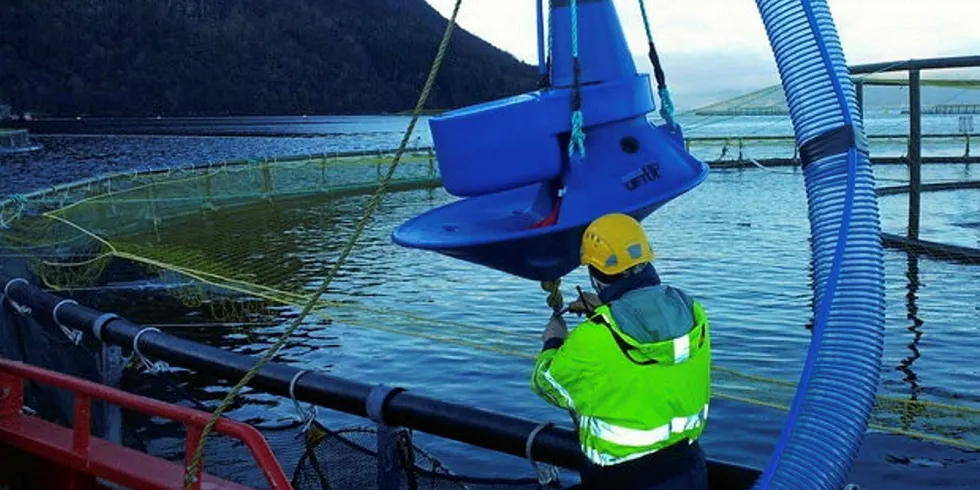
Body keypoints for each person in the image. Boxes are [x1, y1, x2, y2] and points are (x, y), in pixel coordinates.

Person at [530, 212, 711, 490]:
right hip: (689, 469)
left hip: (624, 481)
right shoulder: (691, 311)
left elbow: (547, 384)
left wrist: (553, 341)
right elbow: (646, 329)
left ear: (595, 276)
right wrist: (605, 308)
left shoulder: (595, 337)